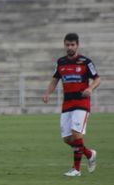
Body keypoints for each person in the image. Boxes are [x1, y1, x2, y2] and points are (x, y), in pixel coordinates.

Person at [43, 33, 101, 177]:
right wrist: (47, 93)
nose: (70, 47)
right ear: (64, 45)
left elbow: (97, 79)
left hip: (81, 102)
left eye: (72, 45)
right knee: (67, 139)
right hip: (67, 103)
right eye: (67, 45)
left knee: (76, 133)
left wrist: (90, 88)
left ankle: (76, 169)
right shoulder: (61, 62)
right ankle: (89, 154)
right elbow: (55, 80)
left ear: (77, 45)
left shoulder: (85, 62)